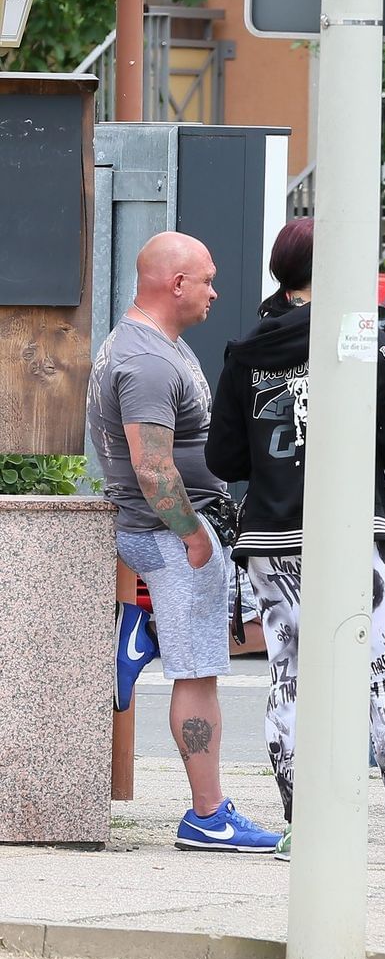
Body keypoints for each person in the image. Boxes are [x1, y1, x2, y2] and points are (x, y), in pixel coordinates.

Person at [205, 219, 385, 865]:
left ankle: (297, 824)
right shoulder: (361, 336)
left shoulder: (244, 349)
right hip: (353, 529)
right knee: (383, 672)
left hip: (274, 535)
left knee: (288, 678)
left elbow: (225, 454)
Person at [88, 232, 282, 853]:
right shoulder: (146, 362)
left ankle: (146, 632)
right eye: (207, 279)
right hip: (174, 534)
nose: (215, 291)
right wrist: (193, 534)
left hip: (183, 529)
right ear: (176, 284)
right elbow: (151, 466)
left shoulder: (154, 345)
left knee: (274, 625)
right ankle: (207, 814)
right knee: (198, 675)